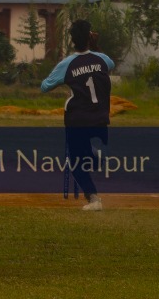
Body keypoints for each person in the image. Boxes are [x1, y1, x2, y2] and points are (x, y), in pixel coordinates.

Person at [40, 19, 115, 211]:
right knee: (89, 156)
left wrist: (66, 79)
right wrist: (95, 47)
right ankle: (97, 155)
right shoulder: (103, 59)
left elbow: (45, 87)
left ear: (72, 40)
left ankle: (94, 199)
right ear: (90, 37)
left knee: (76, 163)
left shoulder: (67, 64)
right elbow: (110, 64)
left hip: (77, 120)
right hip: (100, 119)